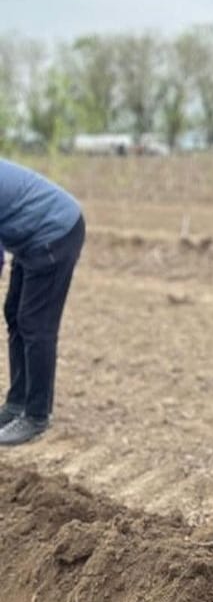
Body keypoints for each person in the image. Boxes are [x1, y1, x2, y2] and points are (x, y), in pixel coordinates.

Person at [0, 159, 86, 446]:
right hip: (29, 238)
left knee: (36, 325)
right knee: (14, 313)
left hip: (54, 233)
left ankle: (36, 415)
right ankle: (16, 403)